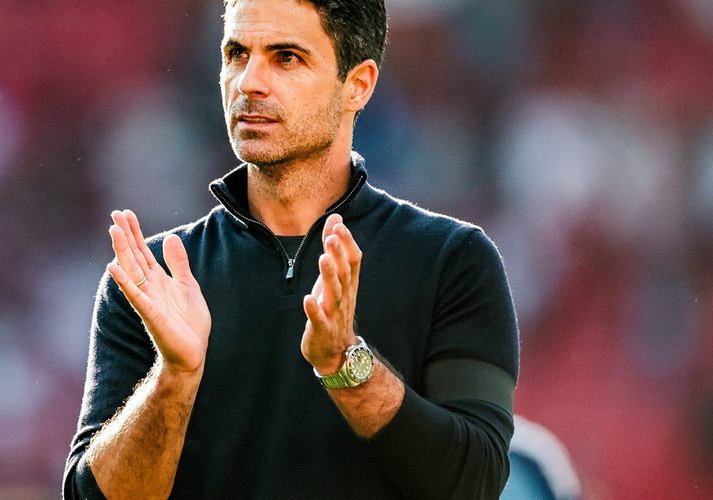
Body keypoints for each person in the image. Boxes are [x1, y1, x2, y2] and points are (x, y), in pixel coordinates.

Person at [63, 0, 519, 498]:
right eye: (236, 54)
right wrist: (173, 377)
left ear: (358, 85)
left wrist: (346, 365)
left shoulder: (453, 261)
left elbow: (476, 482)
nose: (249, 82)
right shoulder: (156, 278)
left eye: (286, 57)